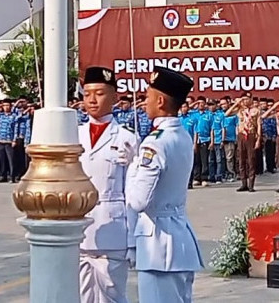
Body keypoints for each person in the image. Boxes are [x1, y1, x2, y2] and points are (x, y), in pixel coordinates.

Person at [126, 66, 203, 303]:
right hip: (179, 237)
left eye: (147, 97)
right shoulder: (181, 135)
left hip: (158, 244)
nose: (144, 103)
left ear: (160, 101)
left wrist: (131, 168)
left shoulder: (155, 143)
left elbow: (138, 201)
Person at [78, 66, 139, 303]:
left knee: (112, 295)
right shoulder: (74, 134)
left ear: (114, 97)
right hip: (79, 228)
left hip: (112, 228)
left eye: (100, 93)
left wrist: (133, 240)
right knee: (81, 295)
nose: (92, 100)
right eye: (87, 94)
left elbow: (133, 193)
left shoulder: (126, 138)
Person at [225, 93, 262, 192]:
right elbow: (226, 114)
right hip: (241, 135)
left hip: (251, 135)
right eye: (244, 99)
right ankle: (243, 183)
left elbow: (258, 126)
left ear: (251, 99)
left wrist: (258, 140)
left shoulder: (256, 111)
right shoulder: (239, 109)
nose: (245, 101)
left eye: (247, 99)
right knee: (241, 160)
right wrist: (236, 103)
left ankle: (251, 185)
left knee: (251, 160)